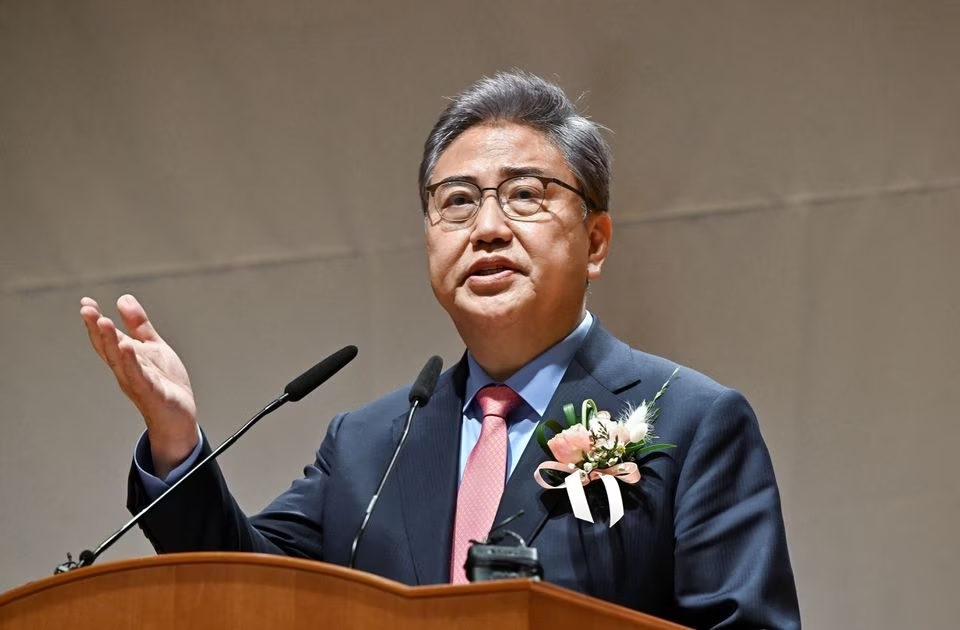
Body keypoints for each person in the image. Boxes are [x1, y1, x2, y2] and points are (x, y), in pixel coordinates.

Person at [80, 70, 800, 628]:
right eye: (456, 201)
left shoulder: (691, 422)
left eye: (525, 194)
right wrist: (175, 441)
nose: (487, 228)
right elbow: (248, 589)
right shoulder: (369, 445)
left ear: (595, 241)